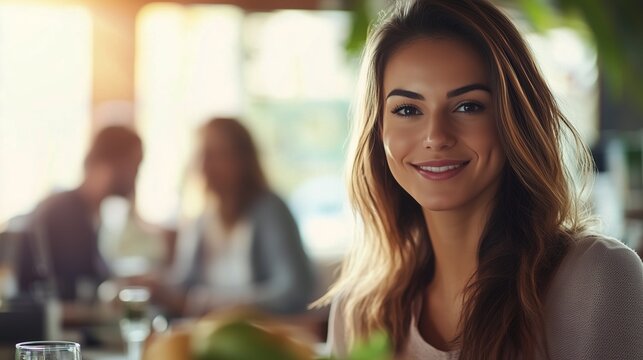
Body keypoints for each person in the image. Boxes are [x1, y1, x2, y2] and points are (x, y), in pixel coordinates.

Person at [321, 1, 643, 359]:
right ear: (379, 131)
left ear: (514, 120)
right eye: (408, 110)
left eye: (468, 106)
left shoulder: (596, 279)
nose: (436, 135)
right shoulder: (359, 313)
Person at [169, 117, 315, 316]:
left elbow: (294, 290)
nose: (205, 167)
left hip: (261, 335)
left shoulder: (270, 211)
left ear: (243, 160)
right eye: (201, 156)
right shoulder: (201, 219)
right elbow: (185, 285)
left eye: (216, 155)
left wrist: (212, 304)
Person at [18, 125, 143, 302]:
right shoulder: (66, 214)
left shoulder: (89, 214)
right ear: (111, 163)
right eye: (134, 166)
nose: (136, 176)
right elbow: (70, 294)